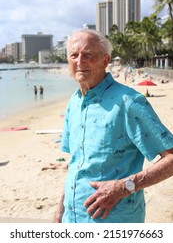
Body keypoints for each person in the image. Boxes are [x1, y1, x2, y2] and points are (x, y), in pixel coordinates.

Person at [53, 29, 173, 223]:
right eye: (74, 55)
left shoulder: (128, 102)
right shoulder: (74, 103)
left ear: (105, 60)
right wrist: (60, 211)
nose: (80, 61)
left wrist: (123, 187)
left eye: (88, 54)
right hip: (72, 218)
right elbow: (75, 166)